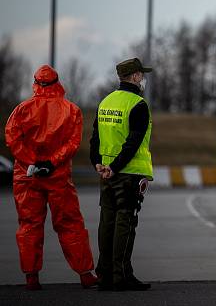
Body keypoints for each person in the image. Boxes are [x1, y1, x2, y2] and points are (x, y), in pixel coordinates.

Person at [4, 65, 98, 291]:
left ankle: (31, 278)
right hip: (58, 176)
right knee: (70, 223)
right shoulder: (71, 110)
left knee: (29, 225)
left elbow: (12, 139)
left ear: (36, 83)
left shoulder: (22, 109)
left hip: (27, 177)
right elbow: (72, 144)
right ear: (58, 82)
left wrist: (31, 163)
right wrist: (51, 163)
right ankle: (85, 274)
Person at [90, 57, 154, 291]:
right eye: (142, 75)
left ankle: (104, 275)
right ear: (135, 77)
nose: (143, 79)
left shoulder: (106, 102)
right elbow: (133, 142)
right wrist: (116, 166)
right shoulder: (137, 104)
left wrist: (98, 163)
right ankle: (121, 276)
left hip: (105, 174)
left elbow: (95, 137)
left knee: (107, 222)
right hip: (128, 174)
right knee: (125, 222)